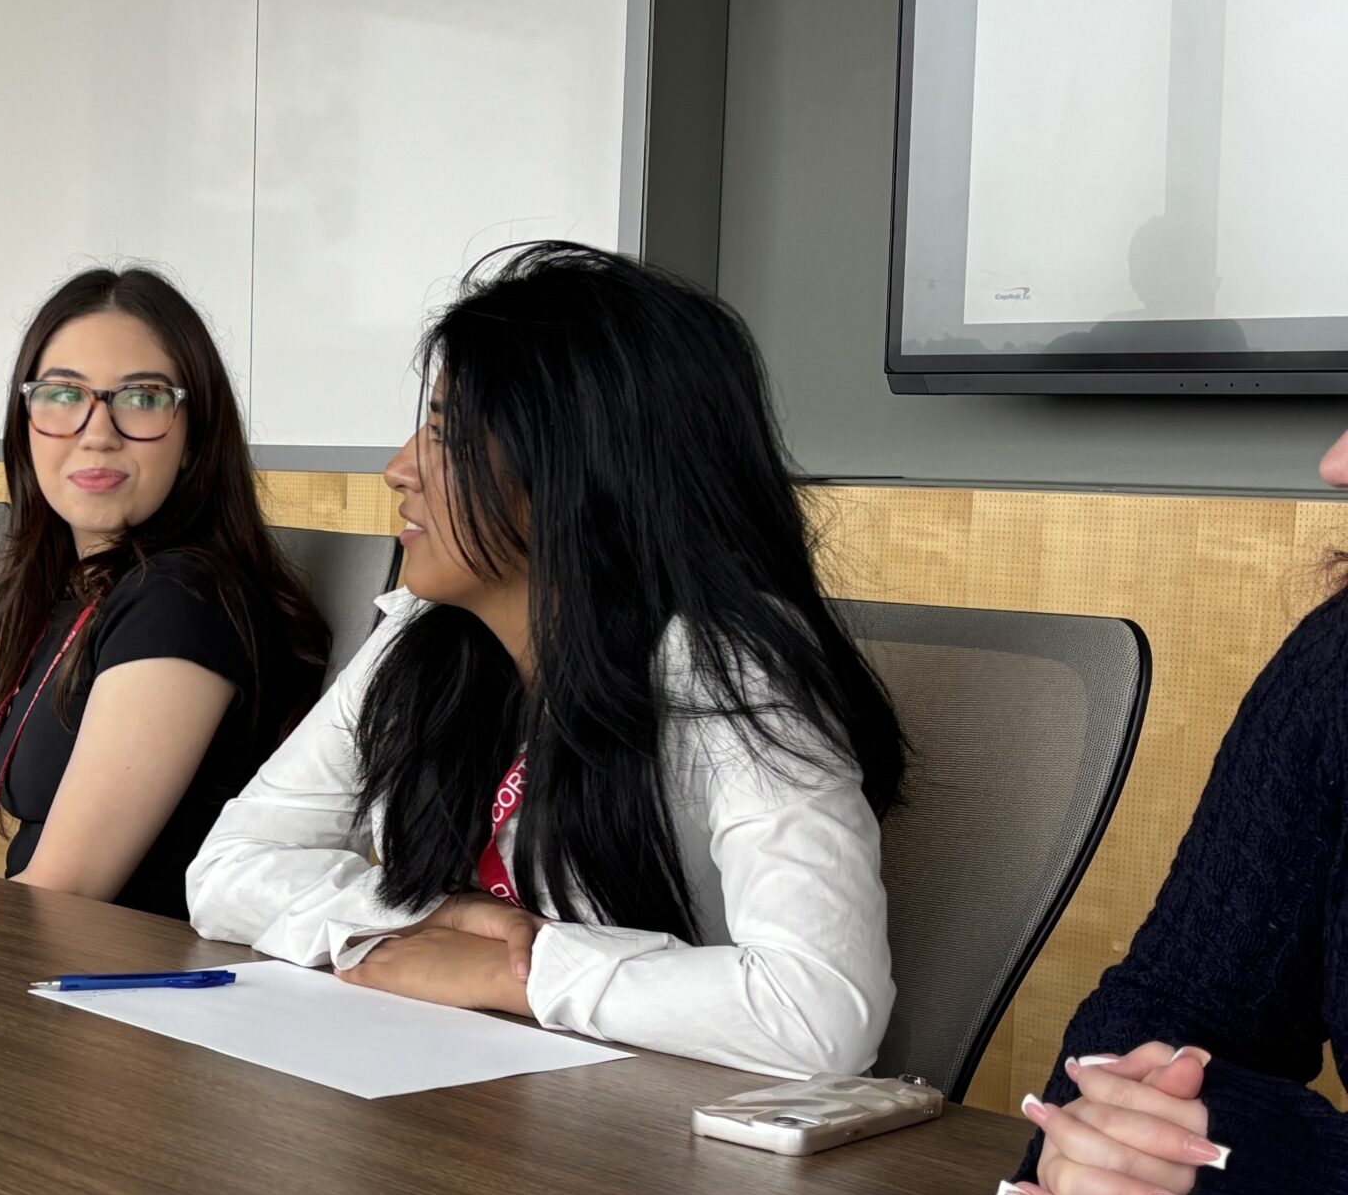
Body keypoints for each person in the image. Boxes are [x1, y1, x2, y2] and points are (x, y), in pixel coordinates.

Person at [186, 241, 906, 1077]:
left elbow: (820, 1012)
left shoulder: (725, 664)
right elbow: (228, 871)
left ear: (573, 470)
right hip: (456, 1105)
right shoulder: (423, 635)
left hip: (646, 1155)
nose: (399, 470)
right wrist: (415, 925)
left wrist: (519, 973)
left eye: (447, 434)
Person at [999, 423, 1348, 1195]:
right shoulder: (1337, 663)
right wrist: (1110, 1163)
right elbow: (1169, 1016)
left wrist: (1308, 1192)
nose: (1336, 463)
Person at [0, 267, 330, 917]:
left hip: (126, 994)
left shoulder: (180, 600)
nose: (97, 430)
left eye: (143, 398)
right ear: (25, 423)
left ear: (195, 437)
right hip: (48, 971)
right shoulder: (79, 589)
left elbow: (66, 891)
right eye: (62, 394)